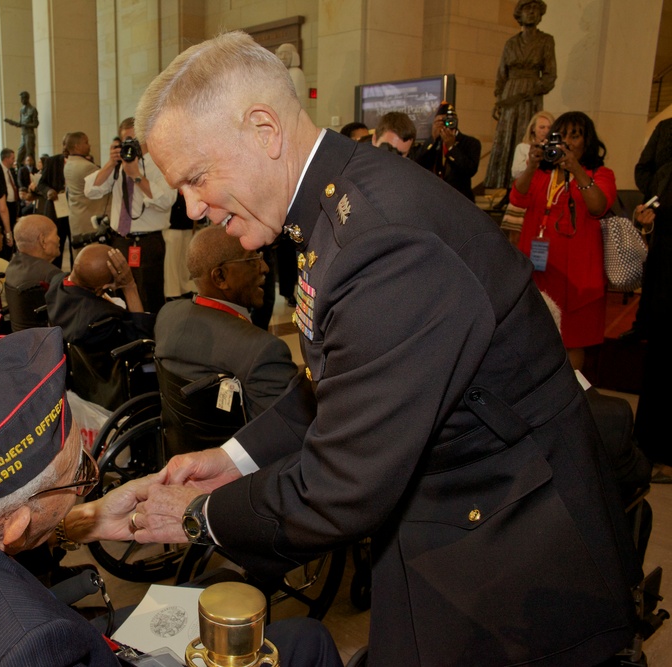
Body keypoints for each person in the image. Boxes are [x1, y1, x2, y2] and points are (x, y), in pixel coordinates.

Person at [130, 31, 637, 667]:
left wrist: (199, 515)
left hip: (512, 557)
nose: (193, 206)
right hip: (445, 520)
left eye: (196, 178)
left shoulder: (379, 240)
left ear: (264, 128)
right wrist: (234, 458)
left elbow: (342, 483)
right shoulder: (331, 202)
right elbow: (332, 379)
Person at [0, 328, 341, 666]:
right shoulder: (26, 646)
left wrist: (80, 520)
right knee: (306, 642)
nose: (93, 478)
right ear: (15, 525)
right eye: (79, 476)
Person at [155, 225, 295, 417]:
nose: (265, 268)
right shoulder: (263, 351)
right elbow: (289, 432)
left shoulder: (167, 315)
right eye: (253, 260)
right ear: (220, 277)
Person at [512, 111, 614, 371]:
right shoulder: (541, 174)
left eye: (575, 135)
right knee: (533, 339)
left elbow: (598, 206)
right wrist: (532, 164)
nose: (567, 141)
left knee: (571, 342)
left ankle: (571, 403)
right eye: (562, 135)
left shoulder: (600, 174)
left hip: (577, 279)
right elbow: (517, 198)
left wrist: (576, 169)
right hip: (539, 271)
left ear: (587, 141)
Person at [84, 118, 176, 313]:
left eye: (135, 139)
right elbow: (91, 191)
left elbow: (166, 201)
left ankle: (151, 336)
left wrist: (136, 175)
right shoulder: (118, 165)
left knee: (148, 295)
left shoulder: (160, 164)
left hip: (148, 242)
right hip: (120, 241)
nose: (131, 145)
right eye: (126, 140)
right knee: (118, 294)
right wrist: (110, 163)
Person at [631, 118, 672, 480]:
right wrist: (657, 197)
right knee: (660, 352)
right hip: (666, 250)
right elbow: (644, 170)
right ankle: (648, 448)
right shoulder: (666, 129)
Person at [484, 0, 557, 189]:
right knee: (506, 137)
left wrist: (530, 90)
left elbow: (550, 75)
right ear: (519, 14)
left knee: (527, 132)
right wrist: (499, 100)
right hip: (510, 96)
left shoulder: (545, 40)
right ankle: (502, 185)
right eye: (527, 9)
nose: (531, 13)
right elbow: (501, 74)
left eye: (535, 9)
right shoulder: (511, 43)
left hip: (530, 97)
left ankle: (521, 185)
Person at [46, 243, 154, 351]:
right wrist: (129, 286)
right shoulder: (102, 320)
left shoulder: (56, 284)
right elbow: (142, 345)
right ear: (100, 289)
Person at [500, 110, 555, 245]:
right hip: (523, 195)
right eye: (542, 127)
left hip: (541, 198)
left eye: (549, 127)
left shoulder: (554, 151)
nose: (545, 131)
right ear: (533, 130)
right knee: (516, 240)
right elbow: (515, 173)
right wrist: (531, 163)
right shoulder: (523, 148)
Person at [5, 214, 62, 332]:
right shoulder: (51, 275)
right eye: (56, 234)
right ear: (43, 240)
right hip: (47, 344)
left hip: (22, 341)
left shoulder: (11, 267)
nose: (58, 238)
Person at [415, 102, 482, 201]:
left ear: (457, 121)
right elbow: (417, 163)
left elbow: (470, 169)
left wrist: (451, 147)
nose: (447, 123)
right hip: (434, 199)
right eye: (442, 121)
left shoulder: (470, 143)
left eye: (450, 120)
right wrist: (432, 139)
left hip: (460, 199)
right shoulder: (432, 144)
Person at [63, 132, 107, 240]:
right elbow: (106, 185)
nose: (89, 145)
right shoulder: (86, 167)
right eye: (86, 142)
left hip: (77, 216)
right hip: (88, 217)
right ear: (77, 146)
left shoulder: (69, 163)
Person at [0, 147, 21, 229]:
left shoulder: (12, 171)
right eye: (12, 158)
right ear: (6, 159)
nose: (14, 160)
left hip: (13, 204)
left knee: (13, 225)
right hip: (3, 204)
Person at [5, 91, 39, 166]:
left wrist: (24, 124)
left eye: (23, 99)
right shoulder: (22, 109)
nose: (21, 101)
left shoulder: (33, 109)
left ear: (27, 98)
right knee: (20, 154)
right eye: (21, 99)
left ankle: (32, 170)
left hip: (29, 135)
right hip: (23, 135)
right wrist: (12, 122)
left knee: (30, 154)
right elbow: (20, 123)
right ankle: (20, 171)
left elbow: (36, 124)